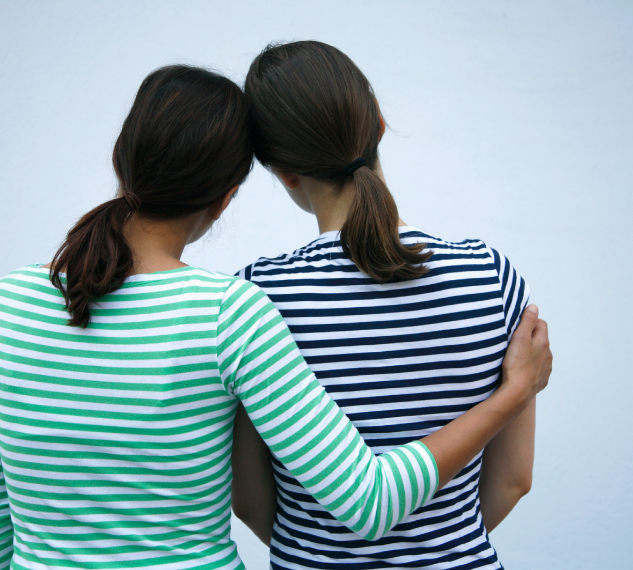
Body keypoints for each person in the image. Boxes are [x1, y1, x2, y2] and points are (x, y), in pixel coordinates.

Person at [0, 64, 551, 570]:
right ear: (230, 193)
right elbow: (384, 500)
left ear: (122, 158)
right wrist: (513, 393)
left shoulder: (2, 304)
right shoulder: (227, 313)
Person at [232, 41, 550, 569]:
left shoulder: (253, 298)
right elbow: (514, 481)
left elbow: (249, 500)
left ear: (284, 172)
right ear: (379, 123)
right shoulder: (492, 277)